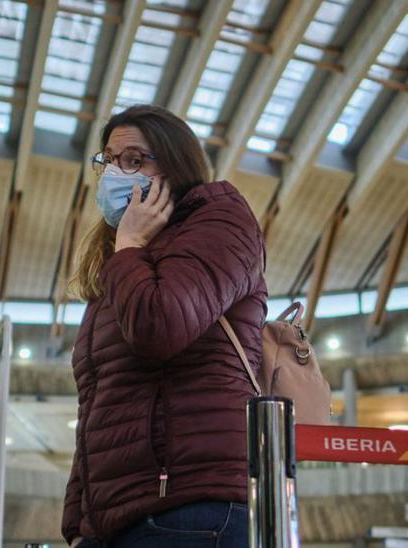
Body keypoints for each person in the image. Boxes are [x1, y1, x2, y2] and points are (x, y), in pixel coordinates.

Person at [63, 105, 268, 547]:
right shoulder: (122, 262)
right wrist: (80, 524)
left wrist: (130, 246)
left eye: (134, 161)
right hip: (121, 515)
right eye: (109, 161)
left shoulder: (218, 221)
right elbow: (99, 401)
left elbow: (160, 327)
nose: (115, 173)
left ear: (176, 165)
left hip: (191, 504)